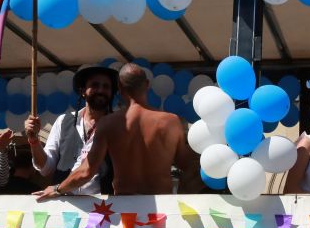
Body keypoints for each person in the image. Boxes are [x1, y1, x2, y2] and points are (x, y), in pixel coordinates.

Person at [34, 63, 198, 199]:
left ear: (119, 88)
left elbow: (86, 172)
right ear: (147, 85)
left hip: (125, 208)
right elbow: (190, 166)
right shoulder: (171, 122)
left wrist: (57, 189)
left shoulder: (110, 124)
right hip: (162, 208)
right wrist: (183, 195)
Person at [23, 64, 116, 195]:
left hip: (103, 208)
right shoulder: (63, 121)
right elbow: (45, 168)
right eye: (95, 85)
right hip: (66, 206)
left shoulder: (118, 125)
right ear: (83, 91)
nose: (101, 90)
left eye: (106, 87)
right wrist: (34, 141)